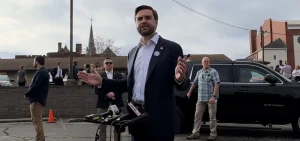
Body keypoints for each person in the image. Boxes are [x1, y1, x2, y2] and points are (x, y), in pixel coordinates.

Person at [78, 5, 190, 141]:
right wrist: (102, 81)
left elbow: (183, 85)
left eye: (148, 17)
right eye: (139, 18)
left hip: (161, 122)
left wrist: (179, 78)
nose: (143, 21)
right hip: (136, 118)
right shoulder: (132, 53)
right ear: (135, 23)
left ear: (156, 22)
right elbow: (127, 83)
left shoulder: (171, 48)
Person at [186, 57, 220, 141]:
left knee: (212, 117)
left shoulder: (213, 71)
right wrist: (189, 92)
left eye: (207, 61)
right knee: (197, 116)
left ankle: (213, 135)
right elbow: (194, 83)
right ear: (202, 63)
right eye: (204, 61)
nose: (206, 63)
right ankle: (195, 133)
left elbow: (217, 84)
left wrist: (214, 96)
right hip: (200, 98)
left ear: (209, 63)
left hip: (211, 99)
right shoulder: (199, 72)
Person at [95, 57, 124, 141]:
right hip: (103, 103)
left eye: (110, 63)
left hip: (116, 103)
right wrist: (107, 95)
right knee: (102, 127)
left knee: (117, 126)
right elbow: (97, 90)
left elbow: (122, 88)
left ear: (113, 64)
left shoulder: (119, 76)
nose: (109, 65)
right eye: (107, 63)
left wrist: (114, 93)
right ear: (104, 65)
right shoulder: (100, 76)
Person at [24, 56, 50, 141]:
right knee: (36, 121)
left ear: (37, 62)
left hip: (37, 101)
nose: (33, 63)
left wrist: (27, 94)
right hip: (36, 100)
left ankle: (40, 139)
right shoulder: (41, 72)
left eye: (34, 61)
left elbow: (36, 86)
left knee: (37, 122)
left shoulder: (42, 72)